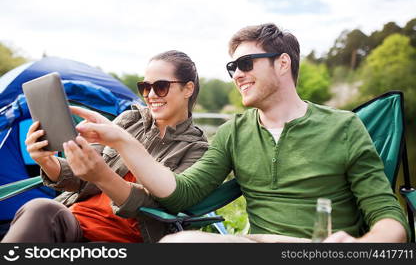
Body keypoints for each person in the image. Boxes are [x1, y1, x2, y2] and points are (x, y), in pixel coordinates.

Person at [52, 24, 410, 243]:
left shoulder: (345, 127)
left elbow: (388, 216)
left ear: (282, 63)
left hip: (324, 245)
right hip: (258, 243)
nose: (236, 74)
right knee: (180, 246)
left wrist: (362, 244)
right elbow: (182, 194)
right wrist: (121, 140)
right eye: (231, 67)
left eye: (245, 64)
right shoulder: (233, 132)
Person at [1, 50, 208, 243]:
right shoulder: (129, 120)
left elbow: (160, 208)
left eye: (161, 86)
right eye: (145, 87)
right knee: (42, 209)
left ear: (187, 89)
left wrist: (102, 175)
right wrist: (46, 160)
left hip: (123, 237)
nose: (151, 95)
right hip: (74, 222)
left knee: (40, 210)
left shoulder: (196, 149)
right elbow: (83, 181)